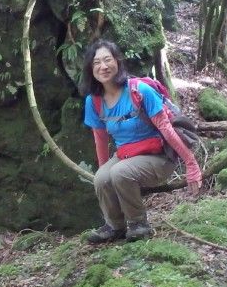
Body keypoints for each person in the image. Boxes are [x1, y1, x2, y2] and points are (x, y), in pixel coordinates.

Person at [81, 39, 202, 243]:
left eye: (107, 60)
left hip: (159, 156)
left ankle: (138, 224)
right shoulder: (94, 101)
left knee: (121, 172)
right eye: (96, 62)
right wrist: (104, 175)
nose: (103, 66)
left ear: (117, 62)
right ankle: (114, 226)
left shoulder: (139, 91)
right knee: (101, 178)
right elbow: (100, 139)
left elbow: (167, 129)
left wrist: (191, 164)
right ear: (90, 69)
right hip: (127, 154)